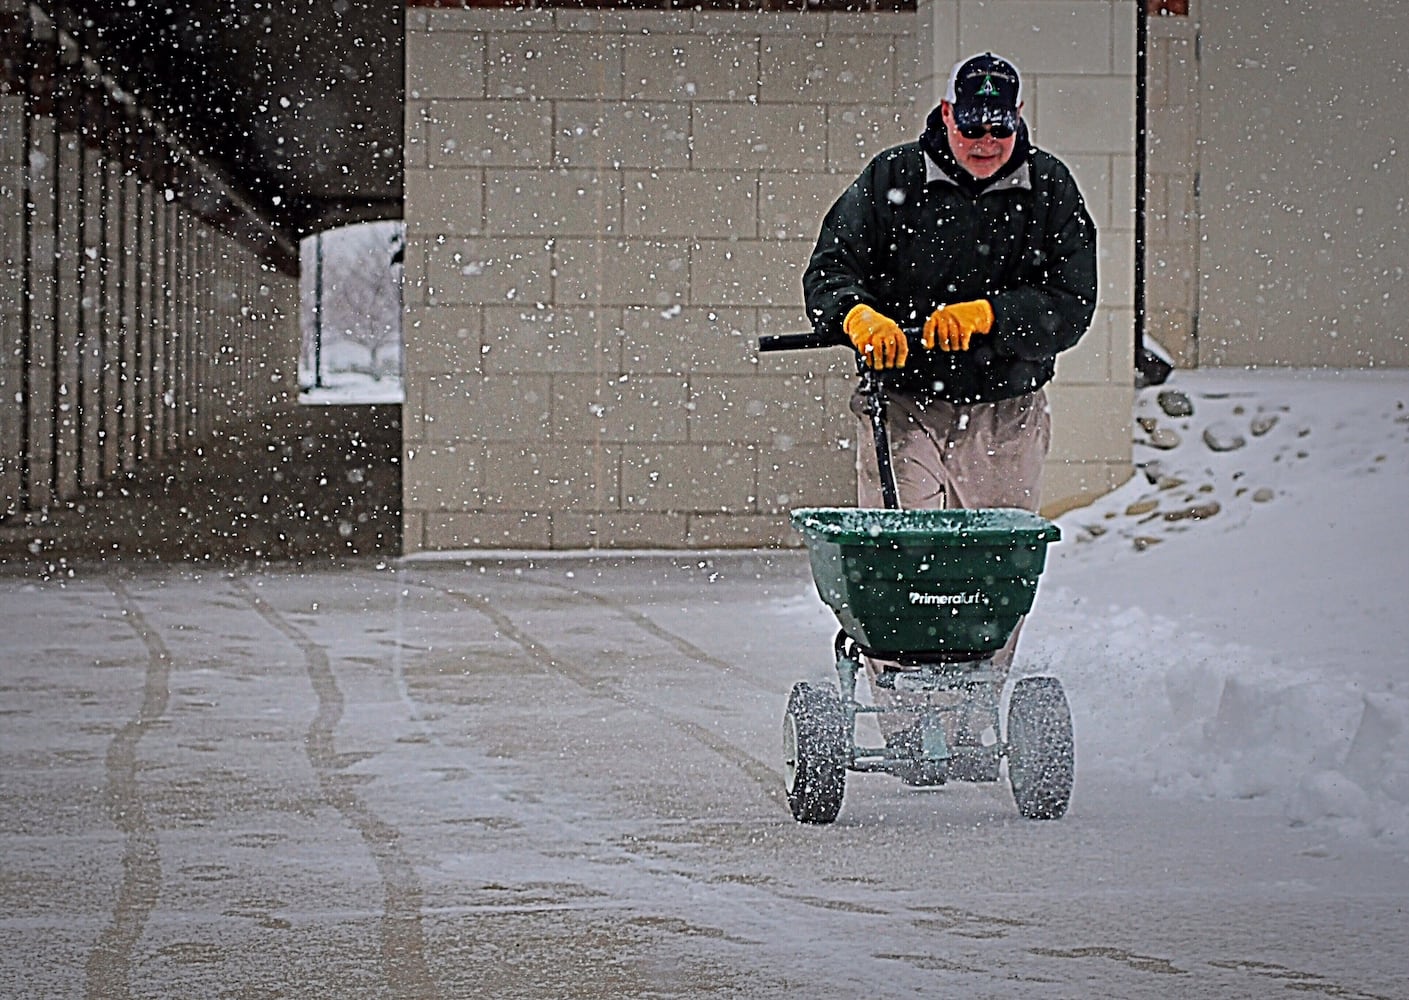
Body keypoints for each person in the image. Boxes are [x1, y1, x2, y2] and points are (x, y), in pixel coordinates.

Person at [802, 52, 1098, 782]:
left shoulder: (1049, 190)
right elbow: (829, 270)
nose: (985, 144)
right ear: (947, 115)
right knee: (902, 562)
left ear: (1017, 121)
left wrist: (994, 316)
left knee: (989, 573)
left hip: (1006, 410)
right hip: (903, 406)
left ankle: (973, 722)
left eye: (998, 131)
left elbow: (1072, 305)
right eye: (972, 128)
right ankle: (905, 729)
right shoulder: (891, 180)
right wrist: (856, 313)